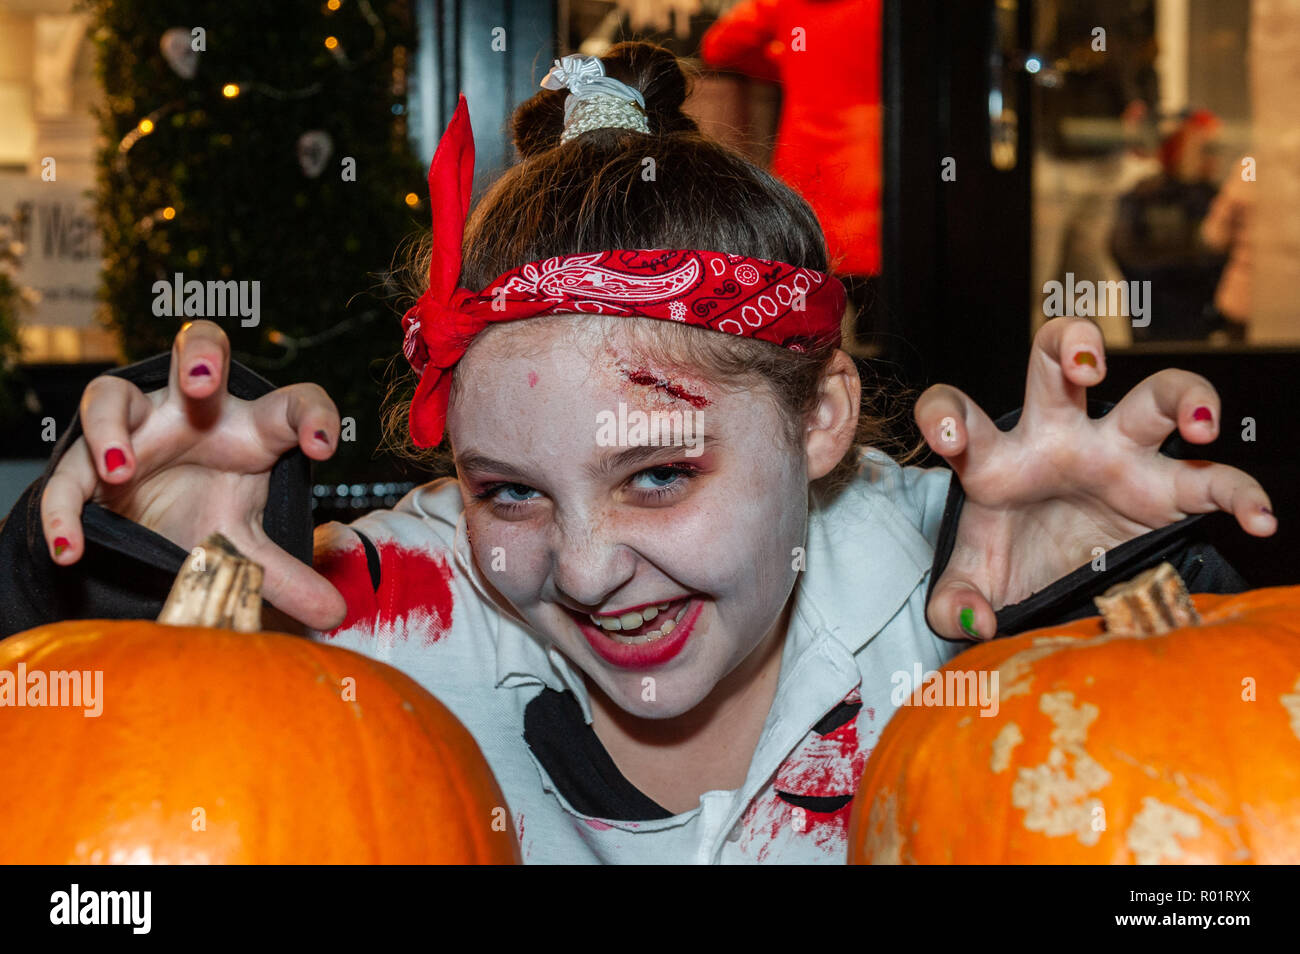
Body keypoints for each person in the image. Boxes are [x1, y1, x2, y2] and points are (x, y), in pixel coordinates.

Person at [0, 44, 1273, 864]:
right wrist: (123, 585)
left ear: (822, 417)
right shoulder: (359, 627)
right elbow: (88, 813)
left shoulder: (963, 591)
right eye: (507, 490)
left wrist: (1127, 612)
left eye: (658, 471)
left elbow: (1218, 825)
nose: (590, 569)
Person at [699, 0, 884, 354]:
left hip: (807, 156)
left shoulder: (781, 3)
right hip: (873, 152)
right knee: (882, 309)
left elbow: (720, 47)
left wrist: (786, 62)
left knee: (811, 285)